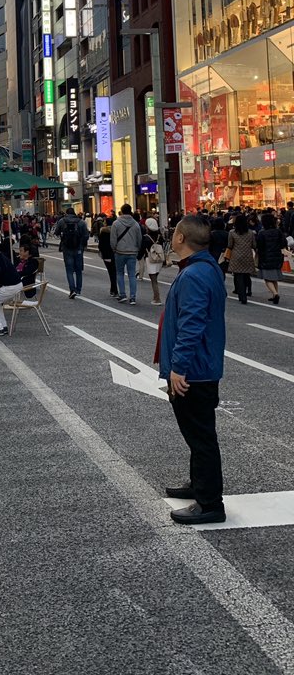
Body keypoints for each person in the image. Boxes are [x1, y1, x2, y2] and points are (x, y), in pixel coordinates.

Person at [159, 215, 227, 525]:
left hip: (194, 371)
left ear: (181, 239)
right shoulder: (204, 269)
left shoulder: (194, 275)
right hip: (200, 367)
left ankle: (209, 502)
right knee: (198, 434)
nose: (172, 237)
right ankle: (198, 485)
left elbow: (191, 325)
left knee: (201, 437)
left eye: (175, 233)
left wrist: (178, 367)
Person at [53, 207, 89, 299]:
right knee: (78, 270)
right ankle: (78, 290)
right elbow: (86, 235)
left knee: (69, 270)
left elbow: (56, 232)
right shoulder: (81, 222)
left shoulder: (62, 221)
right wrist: (81, 243)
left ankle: (72, 290)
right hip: (78, 248)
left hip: (67, 248)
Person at [111, 204, 142, 304]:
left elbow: (113, 239)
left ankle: (122, 294)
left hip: (120, 251)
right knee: (132, 274)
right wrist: (136, 248)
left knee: (119, 273)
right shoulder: (135, 224)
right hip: (132, 252)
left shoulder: (116, 223)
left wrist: (114, 248)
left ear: (121, 211)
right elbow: (139, 239)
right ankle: (133, 297)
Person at [255, 212, 287, 304]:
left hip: (266, 257)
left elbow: (259, 246)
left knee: (267, 278)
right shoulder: (278, 231)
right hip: (277, 256)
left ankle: (275, 293)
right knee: (274, 278)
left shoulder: (262, 233)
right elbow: (283, 243)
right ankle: (274, 294)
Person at [224, 213, 256, 304]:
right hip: (247, 255)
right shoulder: (250, 232)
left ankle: (242, 296)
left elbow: (230, 245)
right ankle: (248, 290)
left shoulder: (232, 232)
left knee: (238, 276)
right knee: (246, 275)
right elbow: (254, 245)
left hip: (236, 256)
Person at [141, 217, 165, 305]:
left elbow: (142, 249)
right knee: (155, 278)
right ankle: (155, 297)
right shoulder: (160, 236)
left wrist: (139, 256)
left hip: (150, 259)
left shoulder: (146, 237)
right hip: (159, 258)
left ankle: (157, 298)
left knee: (153, 280)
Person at [97, 216, 119, 297]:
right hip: (116, 253)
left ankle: (114, 289)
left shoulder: (103, 231)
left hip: (107, 254)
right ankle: (114, 289)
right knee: (115, 272)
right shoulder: (116, 231)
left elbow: (101, 245)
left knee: (111, 272)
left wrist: (101, 252)